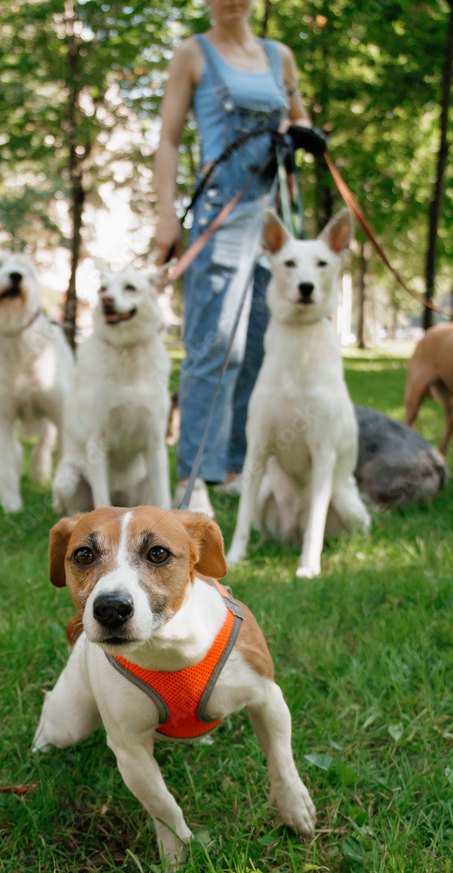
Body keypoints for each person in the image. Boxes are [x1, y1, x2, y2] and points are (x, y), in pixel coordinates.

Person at [155, 0, 311, 515]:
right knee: (215, 348)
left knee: (261, 347)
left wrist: (302, 132)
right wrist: (166, 216)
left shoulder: (279, 57)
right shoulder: (191, 54)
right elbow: (169, 141)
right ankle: (195, 476)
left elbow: (297, 118)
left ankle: (236, 470)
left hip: (274, 224)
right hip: (221, 217)